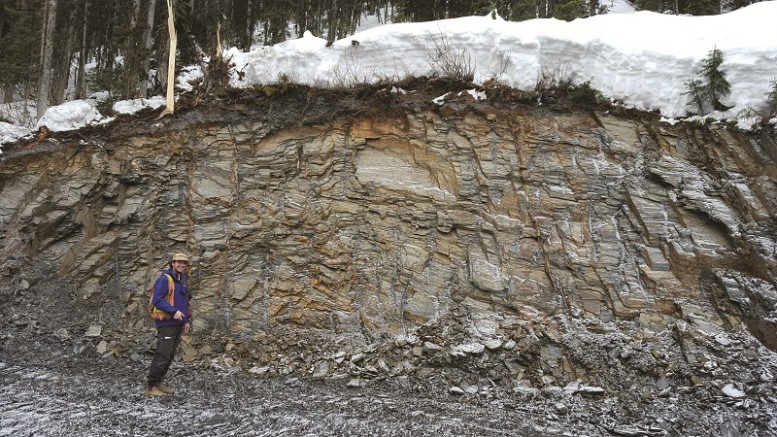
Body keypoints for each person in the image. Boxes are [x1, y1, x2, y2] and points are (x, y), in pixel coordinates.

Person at [145, 252, 192, 397]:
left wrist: (186, 321)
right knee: (162, 354)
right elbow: (157, 300)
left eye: (184, 263)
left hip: (178, 323)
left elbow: (184, 302)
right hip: (166, 323)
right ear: (172, 263)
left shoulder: (182, 279)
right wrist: (173, 312)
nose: (181, 265)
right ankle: (151, 387)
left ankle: (158, 383)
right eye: (178, 262)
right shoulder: (165, 279)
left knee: (170, 355)